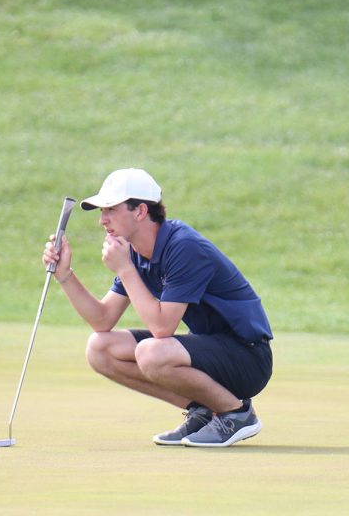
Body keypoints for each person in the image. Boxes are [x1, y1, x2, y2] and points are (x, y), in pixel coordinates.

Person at [41, 168, 273, 447]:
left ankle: (235, 414)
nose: (102, 220)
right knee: (100, 348)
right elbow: (102, 320)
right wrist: (65, 275)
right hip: (208, 350)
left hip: (247, 358)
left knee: (151, 352)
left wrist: (125, 268)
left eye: (111, 210)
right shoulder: (137, 253)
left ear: (140, 211)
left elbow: (163, 328)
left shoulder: (183, 247)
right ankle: (204, 410)